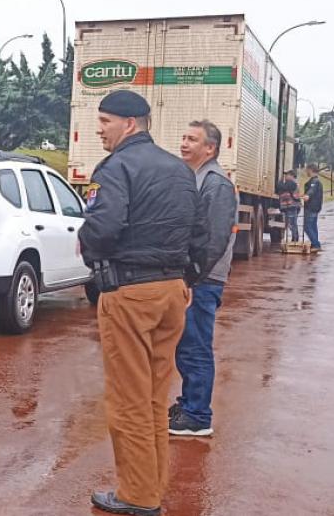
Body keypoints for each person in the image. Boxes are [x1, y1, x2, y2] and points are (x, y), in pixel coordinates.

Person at [80, 90, 199, 516]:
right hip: (171, 294)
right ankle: (151, 485)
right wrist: (189, 278)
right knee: (153, 397)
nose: (99, 129)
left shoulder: (115, 168)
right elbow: (201, 232)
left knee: (128, 398)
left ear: (130, 124)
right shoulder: (180, 170)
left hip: (129, 294)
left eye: (105, 121)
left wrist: (86, 246)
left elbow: (104, 226)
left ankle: (137, 496)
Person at [169, 120, 238, 437]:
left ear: (209, 148)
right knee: (186, 346)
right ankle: (188, 403)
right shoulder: (197, 178)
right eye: (183, 138)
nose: (184, 144)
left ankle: (198, 415)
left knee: (196, 347)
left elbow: (213, 239)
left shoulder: (216, 183)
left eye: (192, 140)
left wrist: (191, 279)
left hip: (203, 280)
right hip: (195, 277)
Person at [302, 164, 323, 252]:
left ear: (311, 170)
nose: (306, 172)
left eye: (307, 170)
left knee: (307, 227)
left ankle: (316, 244)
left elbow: (312, 190)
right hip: (314, 207)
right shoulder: (316, 181)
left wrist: (307, 195)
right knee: (313, 226)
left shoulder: (315, 181)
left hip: (311, 207)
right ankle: (315, 244)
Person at [276, 170, 301, 242]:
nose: (286, 176)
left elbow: (281, 187)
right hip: (290, 206)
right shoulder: (291, 183)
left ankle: (295, 238)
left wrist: (280, 182)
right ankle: (295, 238)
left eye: (287, 175)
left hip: (291, 206)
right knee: (291, 223)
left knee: (292, 223)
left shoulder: (292, 183)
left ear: (292, 176)